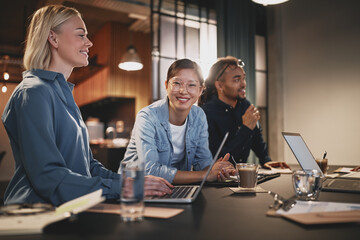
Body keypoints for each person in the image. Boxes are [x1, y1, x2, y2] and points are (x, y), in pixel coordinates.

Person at [1, 5, 172, 206]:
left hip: (70, 207)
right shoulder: (33, 92)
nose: (89, 43)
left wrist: (133, 182)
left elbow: (89, 168)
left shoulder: (62, 94)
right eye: (81, 35)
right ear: (53, 38)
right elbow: (48, 178)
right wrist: (125, 188)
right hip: (36, 214)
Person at [118, 59, 235, 184]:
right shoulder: (147, 117)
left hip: (174, 188)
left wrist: (218, 170)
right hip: (134, 190)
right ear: (166, 85)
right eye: (177, 83)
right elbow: (150, 171)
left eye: (191, 85)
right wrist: (206, 174)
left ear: (200, 90)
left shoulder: (199, 116)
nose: (183, 91)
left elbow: (203, 164)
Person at [199, 56, 289, 169]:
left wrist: (266, 160)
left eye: (243, 78)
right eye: (237, 80)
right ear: (220, 85)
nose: (243, 84)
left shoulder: (245, 105)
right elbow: (220, 159)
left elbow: (256, 139)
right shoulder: (205, 114)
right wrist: (245, 128)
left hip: (241, 176)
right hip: (218, 179)